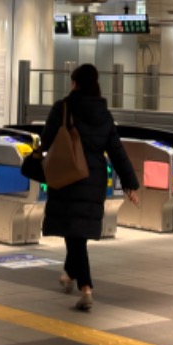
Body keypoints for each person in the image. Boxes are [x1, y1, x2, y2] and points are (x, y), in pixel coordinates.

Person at [39, 64, 140, 311]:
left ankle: (86, 288)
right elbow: (116, 151)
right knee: (77, 232)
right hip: (93, 179)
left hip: (67, 176)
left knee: (75, 236)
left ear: (75, 83)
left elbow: (46, 140)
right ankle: (69, 274)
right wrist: (130, 184)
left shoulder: (63, 108)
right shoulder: (104, 114)